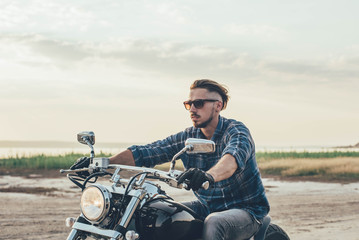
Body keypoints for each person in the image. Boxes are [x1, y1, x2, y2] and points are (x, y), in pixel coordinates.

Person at [71, 79, 269, 240]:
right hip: (206, 206)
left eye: (199, 103)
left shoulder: (236, 131)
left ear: (218, 105)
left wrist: (208, 176)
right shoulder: (188, 136)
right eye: (188, 104)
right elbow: (149, 151)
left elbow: (232, 159)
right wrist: (101, 164)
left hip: (247, 210)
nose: (192, 108)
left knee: (214, 223)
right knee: (158, 213)